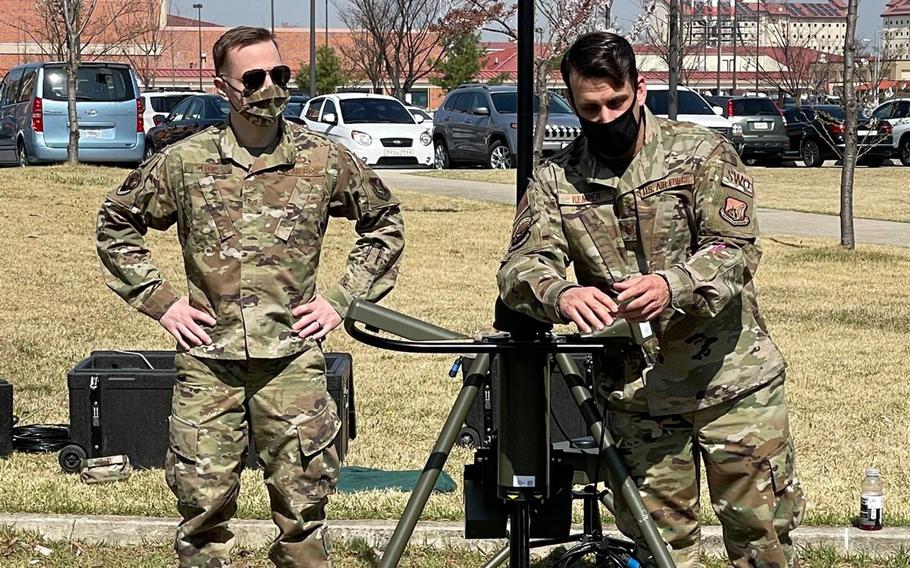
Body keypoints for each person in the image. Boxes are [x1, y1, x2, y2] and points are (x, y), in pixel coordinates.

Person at [96, 26, 405, 568]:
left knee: (304, 509)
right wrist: (161, 300)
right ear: (223, 87)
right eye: (254, 78)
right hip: (209, 361)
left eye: (280, 75)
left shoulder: (323, 159)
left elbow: (384, 225)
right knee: (201, 509)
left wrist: (341, 298)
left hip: (291, 360)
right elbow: (118, 224)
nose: (270, 88)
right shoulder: (184, 162)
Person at [497, 31, 804, 567]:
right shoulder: (555, 179)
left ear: (640, 89)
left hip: (733, 386)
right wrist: (561, 293)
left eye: (615, 102)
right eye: (590, 108)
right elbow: (521, 267)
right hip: (638, 398)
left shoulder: (701, 152)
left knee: (763, 543)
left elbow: (735, 249)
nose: (605, 116)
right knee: (660, 551)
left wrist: (672, 285)